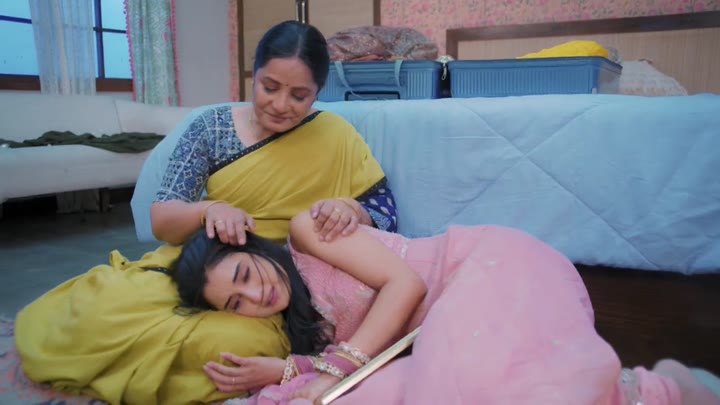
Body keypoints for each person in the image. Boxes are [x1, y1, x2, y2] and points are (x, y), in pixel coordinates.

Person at [14, 21, 398, 405]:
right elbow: (162, 219)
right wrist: (209, 210)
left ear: (318, 90)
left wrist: (350, 209)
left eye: (299, 95)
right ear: (253, 75)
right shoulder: (211, 128)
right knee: (97, 310)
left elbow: (383, 210)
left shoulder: (335, 134)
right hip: (205, 265)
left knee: (234, 348)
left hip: (273, 284)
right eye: (269, 88)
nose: (281, 105)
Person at [173, 210, 720, 405]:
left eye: (245, 275)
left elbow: (405, 285)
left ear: (255, 249)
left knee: (468, 377)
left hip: (483, 268)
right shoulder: (297, 322)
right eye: (236, 302)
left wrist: (333, 369)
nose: (256, 295)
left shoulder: (304, 232)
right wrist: (287, 370)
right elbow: (365, 356)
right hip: (438, 335)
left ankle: (662, 389)